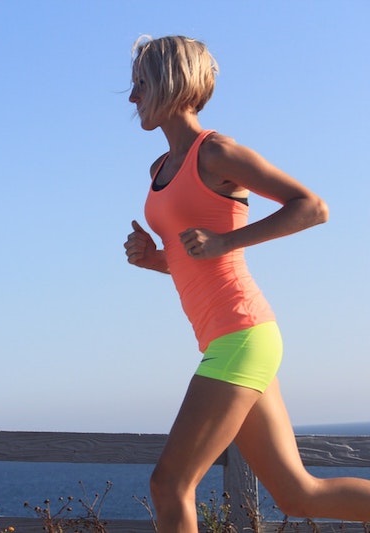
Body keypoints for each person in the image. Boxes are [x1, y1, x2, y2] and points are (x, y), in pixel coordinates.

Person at [123, 35, 370, 531]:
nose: (132, 99)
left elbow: (312, 207)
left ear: (172, 83)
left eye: (141, 84)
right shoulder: (159, 169)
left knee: (169, 485)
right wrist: (155, 258)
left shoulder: (215, 152)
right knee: (299, 494)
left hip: (242, 332)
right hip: (227, 336)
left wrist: (223, 242)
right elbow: (192, 261)